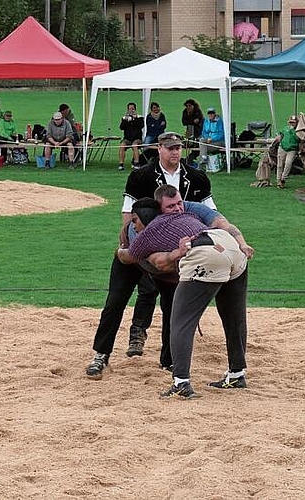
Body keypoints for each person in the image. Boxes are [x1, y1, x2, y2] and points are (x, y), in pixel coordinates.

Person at [85, 132, 216, 379]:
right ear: (159, 149)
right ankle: (101, 355)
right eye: (169, 148)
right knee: (115, 301)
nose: (175, 152)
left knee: (173, 307)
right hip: (140, 245)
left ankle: (169, 360)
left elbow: (211, 215)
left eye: (178, 147)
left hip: (174, 255)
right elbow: (127, 215)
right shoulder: (141, 175)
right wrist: (130, 242)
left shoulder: (196, 177)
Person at [117, 198, 252, 399]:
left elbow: (129, 257)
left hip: (204, 253)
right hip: (232, 247)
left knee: (181, 321)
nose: (133, 226)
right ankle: (236, 373)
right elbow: (224, 223)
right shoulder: (188, 214)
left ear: (141, 219)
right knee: (235, 316)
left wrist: (119, 250)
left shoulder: (146, 234)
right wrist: (242, 243)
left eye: (134, 222)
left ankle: (181, 382)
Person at [118, 102, 144, 171]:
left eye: (132, 109)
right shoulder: (124, 118)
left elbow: (141, 126)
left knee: (134, 145)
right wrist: (125, 120)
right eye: (130, 109)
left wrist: (135, 118)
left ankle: (136, 163)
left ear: (135, 109)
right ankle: (121, 164)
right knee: (122, 145)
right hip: (127, 139)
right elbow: (121, 128)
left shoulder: (140, 117)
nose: (131, 110)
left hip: (137, 138)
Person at [276, 115, 299, 189]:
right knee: (279, 165)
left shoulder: (298, 131)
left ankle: (283, 178)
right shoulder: (285, 128)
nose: (292, 124)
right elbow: (280, 136)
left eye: (294, 122)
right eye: (291, 122)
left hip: (292, 149)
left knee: (288, 163)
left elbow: (298, 138)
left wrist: (293, 131)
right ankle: (278, 180)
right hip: (282, 147)